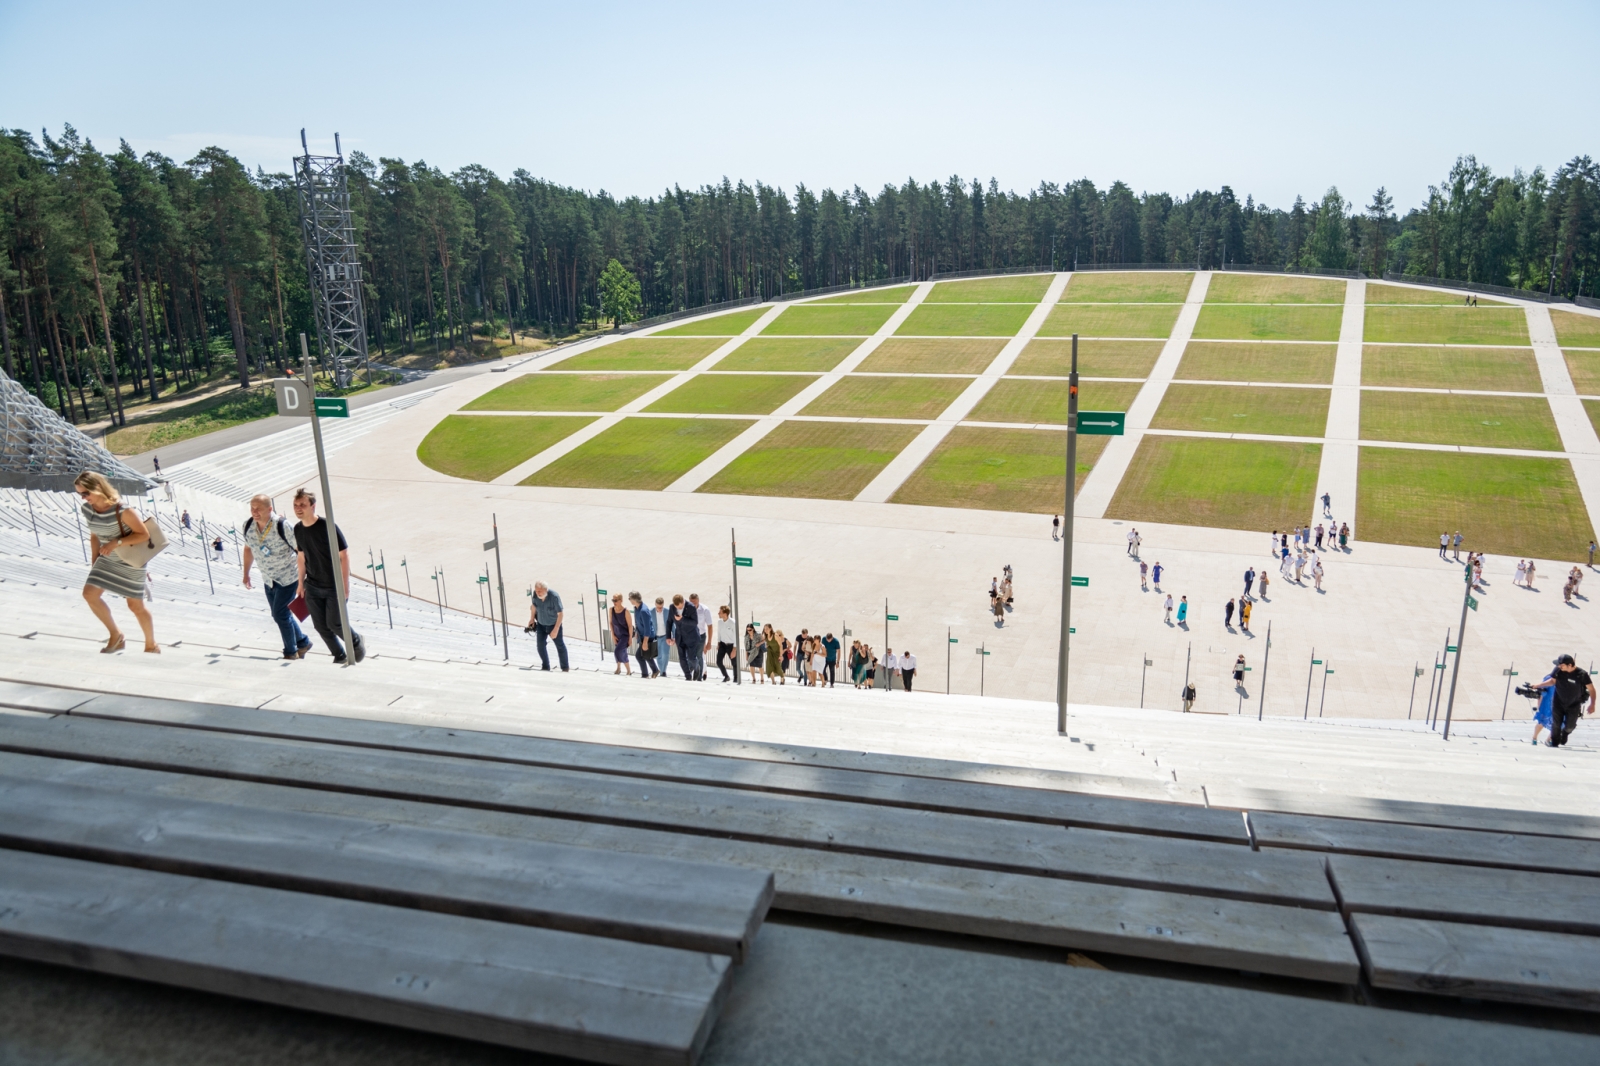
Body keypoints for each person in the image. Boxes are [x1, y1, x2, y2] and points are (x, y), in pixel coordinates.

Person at [74, 471, 159, 655]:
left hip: (129, 559)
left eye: (85, 493)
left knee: (135, 606)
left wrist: (115, 543)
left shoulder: (123, 510)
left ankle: (151, 645)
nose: (83, 497)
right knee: (89, 594)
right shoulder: (87, 509)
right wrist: (94, 559)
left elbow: (143, 535)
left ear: (98, 488)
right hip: (105, 558)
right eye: (80, 494)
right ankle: (115, 634)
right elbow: (94, 535)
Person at [290, 488, 364, 664]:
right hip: (313, 586)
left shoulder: (327, 526)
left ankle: (356, 642)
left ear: (313, 506)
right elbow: (301, 556)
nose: (298, 508)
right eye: (295, 505)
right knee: (320, 626)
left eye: (302, 505)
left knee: (335, 624)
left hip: (333, 585)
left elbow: (344, 555)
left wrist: (345, 585)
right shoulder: (298, 529)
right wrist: (300, 583)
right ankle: (339, 655)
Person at [241, 493, 311, 660]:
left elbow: (301, 551)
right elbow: (248, 549)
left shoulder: (282, 525)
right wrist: (246, 573)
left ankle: (291, 651)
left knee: (280, 614)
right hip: (268, 579)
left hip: (288, 578)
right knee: (280, 614)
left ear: (270, 509)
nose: (254, 512)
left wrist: (304, 578)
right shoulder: (248, 526)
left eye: (258, 509)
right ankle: (302, 642)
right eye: (252, 508)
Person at [1535, 655, 1596, 748]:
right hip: (1558, 702)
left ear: (1570, 665)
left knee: (1569, 726)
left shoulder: (1582, 674)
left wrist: (1592, 704)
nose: (1559, 666)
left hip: (1574, 704)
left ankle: (1565, 733)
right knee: (1556, 724)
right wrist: (1537, 685)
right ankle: (1554, 744)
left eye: (1562, 665)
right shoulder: (1558, 670)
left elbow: (1591, 690)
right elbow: (1552, 681)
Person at [525, 581, 567, 671]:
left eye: (540, 591)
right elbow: (534, 606)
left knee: (560, 646)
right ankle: (545, 666)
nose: (537, 593)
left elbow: (560, 614)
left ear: (546, 590)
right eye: (536, 591)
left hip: (553, 625)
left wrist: (556, 629)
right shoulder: (535, 595)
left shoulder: (554, 596)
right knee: (540, 646)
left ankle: (565, 668)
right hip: (541, 624)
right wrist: (532, 619)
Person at [630, 592, 660, 678]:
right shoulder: (636, 608)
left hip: (647, 637)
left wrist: (645, 642)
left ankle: (645, 674)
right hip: (642, 636)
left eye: (630, 598)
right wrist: (636, 632)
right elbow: (637, 622)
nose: (630, 600)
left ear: (634, 599)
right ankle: (654, 670)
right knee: (646, 655)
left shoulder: (643, 610)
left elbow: (647, 627)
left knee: (639, 656)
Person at [608, 593, 634, 676]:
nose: (614, 602)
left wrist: (630, 638)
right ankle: (621, 669)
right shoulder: (611, 610)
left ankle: (627, 670)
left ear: (621, 600)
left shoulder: (626, 611)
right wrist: (613, 635)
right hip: (617, 634)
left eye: (616, 600)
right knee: (622, 652)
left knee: (618, 651)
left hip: (625, 635)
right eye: (613, 600)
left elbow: (630, 626)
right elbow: (611, 623)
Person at [715, 605, 736, 682]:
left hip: (731, 645)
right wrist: (718, 643)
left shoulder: (732, 623)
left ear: (725, 613)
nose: (718, 613)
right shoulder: (719, 622)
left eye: (720, 612)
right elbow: (719, 632)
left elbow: (736, 636)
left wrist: (734, 649)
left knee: (734, 663)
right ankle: (726, 676)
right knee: (718, 661)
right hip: (722, 644)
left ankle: (736, 678)